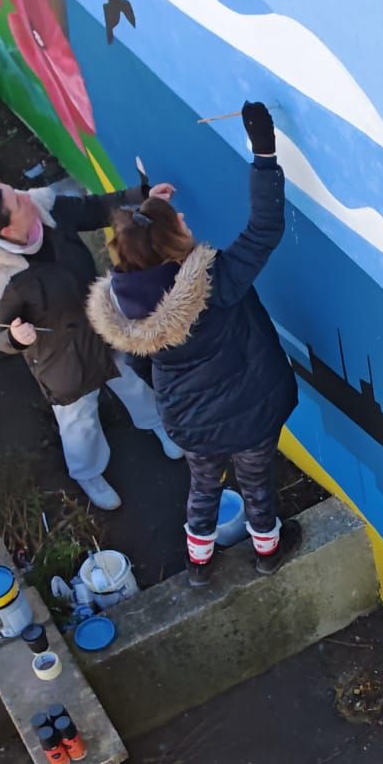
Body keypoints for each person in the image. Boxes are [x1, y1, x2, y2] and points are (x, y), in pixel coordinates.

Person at [86, 102, 299, 586]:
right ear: (171, 245)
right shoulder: (216, 285)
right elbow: (265, 228)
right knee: (256, 486)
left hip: (192, 425)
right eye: (176, 222)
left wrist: (148, 214)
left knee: (203, 489)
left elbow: (144, 367)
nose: (184, 216)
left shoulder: (127, 309)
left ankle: (198, 566)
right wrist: (264, 152)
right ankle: (268, 551)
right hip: (249, 416)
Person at [0, 175, 182, 509]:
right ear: (7, 231)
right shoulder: (2, 278)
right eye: (17, 201)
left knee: (133, 381)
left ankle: (158, 424)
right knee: (79, 422)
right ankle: (87, 472)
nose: (27, 196)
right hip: (61, 359)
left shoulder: (46, 207)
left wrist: (141, 195)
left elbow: (95, 208)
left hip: (103, 324)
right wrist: (12, 338)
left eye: (17, 190)